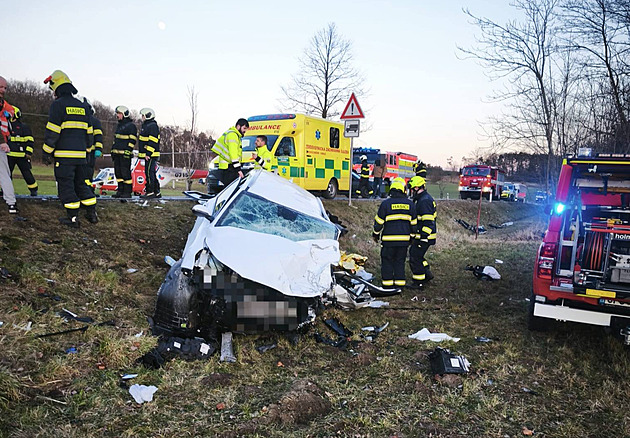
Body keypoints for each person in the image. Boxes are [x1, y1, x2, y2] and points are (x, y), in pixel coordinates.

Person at [42, 70, 97, 227]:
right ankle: (92, 213)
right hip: (81, 157)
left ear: (56, 88)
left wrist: (46, 153)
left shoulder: (57, 106)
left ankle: (73, 218)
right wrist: (87, 152)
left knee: (66, 186)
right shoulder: (83, 106)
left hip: (64, 157)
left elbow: (52, 132)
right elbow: (89, 134)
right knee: (82, 184)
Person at [372, 177, 416, 288]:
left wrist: (375, 234)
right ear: (403, 189)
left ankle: (387, 285)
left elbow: (379, 223)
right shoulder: (410, 205)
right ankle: (399, 285)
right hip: (403, 242)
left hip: (388, 241)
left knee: (387, 262)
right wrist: (412, 238)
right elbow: (414, 225)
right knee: (400, 262)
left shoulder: (385, 204)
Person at [408, 176, 437, 289]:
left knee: (415, 257)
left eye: (411, 189)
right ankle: (427, 274)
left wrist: (424, 237)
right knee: (418, 256)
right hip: (423, 236)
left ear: (416, 187)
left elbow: (428, 222)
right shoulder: (422, 199)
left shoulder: (424, 201)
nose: (411, 191)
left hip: (425, 236)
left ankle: (418, 282)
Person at [8, 106, 38, 196]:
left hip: (22, 156)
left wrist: (28, 153)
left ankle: (33, 190)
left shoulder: (24, 127)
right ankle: (6, 190)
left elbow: (30, 141)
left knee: (27, 173)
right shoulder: (5, 126)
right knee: (7, 174)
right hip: (9, 155)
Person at [211, 118, 249, 186]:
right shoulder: (233, 135)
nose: (245, 131)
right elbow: (233, 153)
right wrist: (238, 169)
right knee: (231, 189)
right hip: (229, 168)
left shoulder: (234, 135)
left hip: (227, 167)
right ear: (238, 126)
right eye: (244, 128)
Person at [0, 76, 18, 214]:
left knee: (4, 173)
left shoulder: (3, 103)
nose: (3, 90)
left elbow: (11, 112)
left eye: (5, 87)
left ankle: (11, 202)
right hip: (1, 144)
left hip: (2, 144)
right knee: (4, 173)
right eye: (1, 87)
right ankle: (11, 203)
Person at [110, 105, 137, 198]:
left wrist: (128, 151)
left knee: (125, 173)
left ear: (125, 114)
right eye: (117, 113)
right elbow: (116, 140)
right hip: (117, 154)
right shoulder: (119, 126)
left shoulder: (131, 126)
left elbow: (133, 140)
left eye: (119, 113)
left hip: (124, 155)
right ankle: (120, 191)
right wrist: (113, 151)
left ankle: (127, 192)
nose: (117, 115)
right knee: (118, 173)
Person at [138, 107, 161, 199]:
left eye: (143, 116)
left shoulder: (152, 126)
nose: (142, 117)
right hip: (149, 154)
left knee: (149, 173)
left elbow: (152, 141)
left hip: (151, 154)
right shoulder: (147, 126)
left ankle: (150, 191)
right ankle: (156, 191)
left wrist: (148, 153)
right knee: (151, 173)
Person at [82, 97, 102, 189]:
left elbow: (98, 136)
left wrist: (98, 149)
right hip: (88, 150)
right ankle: (88, 190)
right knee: (87, 171)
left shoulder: (94, 121)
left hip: (87, 151)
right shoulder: (94, 121)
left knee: (85, 171)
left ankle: (87, 189)